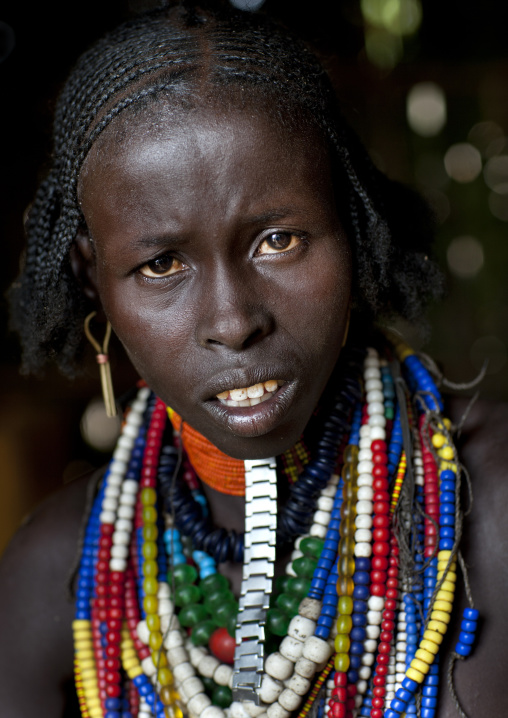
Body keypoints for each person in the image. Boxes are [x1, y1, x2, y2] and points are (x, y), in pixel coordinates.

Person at [1, 2, 507, 717]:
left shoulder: (494, 509)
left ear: (351, 226)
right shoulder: (53, 572)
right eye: (162, 263)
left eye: (280, 241)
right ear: (93, 281)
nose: (234, 322)